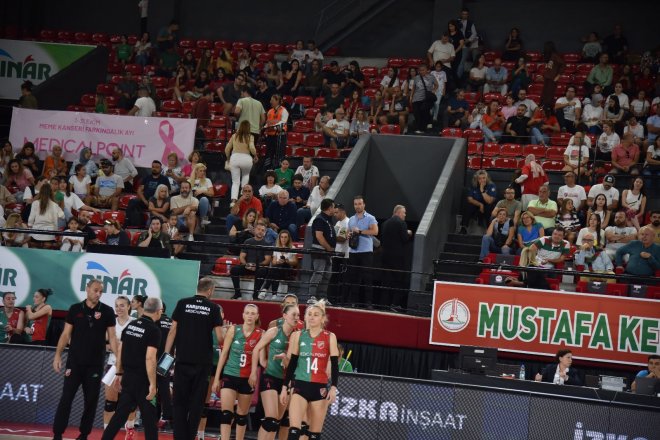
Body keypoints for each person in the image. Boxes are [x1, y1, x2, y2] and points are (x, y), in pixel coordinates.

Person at [52, 279, 118, 440]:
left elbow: (112, 337)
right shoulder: (75, 309)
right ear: (87, 289)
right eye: (95, 290)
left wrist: (119, 359)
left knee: (91, 401)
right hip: (74, 362)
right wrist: (57, 355)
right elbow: (66, 334)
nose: (98, 294)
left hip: (95, 364)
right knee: (66, 398)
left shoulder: (107, 311)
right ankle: (58, 433)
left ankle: (84, 434)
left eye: (101, 291)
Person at [164, 277, 223, 440]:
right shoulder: (213, 308)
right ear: (210, 290)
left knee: (179, 402)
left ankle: (179, 437)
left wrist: (167, 354)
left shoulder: (182, 303)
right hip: (203, 364)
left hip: (182, 360)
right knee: (197, 404)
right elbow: (220, 337)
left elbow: (173, 330)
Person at [102, 297, 162, 440]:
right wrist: (153, 384)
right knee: (150, 420)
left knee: (119, 416)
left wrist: (119, 373)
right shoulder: (154, 330)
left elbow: (120, 350)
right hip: (143, 380)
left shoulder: (131, 326)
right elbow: (150, 358)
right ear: (158, 311)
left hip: (128, 377)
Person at [280, 300, 339, 440]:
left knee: (314, 434)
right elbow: (292, 363)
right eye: (309, 314)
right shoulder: (298, 335)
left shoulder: (330, 337)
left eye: (316, 315)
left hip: (319, 388)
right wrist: (284, 387)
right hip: (300, 385)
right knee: (294, 431)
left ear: (323, 319)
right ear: (305, 317)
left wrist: (333, 387)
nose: (312, 317)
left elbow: (335, 364)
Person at [210, 304, 262, 440]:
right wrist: (217, 378)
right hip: (230, 374)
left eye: (253, 313)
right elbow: (224, 354)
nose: (250, 316)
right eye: (247, 313)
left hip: (247, 378)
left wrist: (254, 373)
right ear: (243, 315)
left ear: (257, 316)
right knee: (226, 414)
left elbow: (261, 357)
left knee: (242, 415)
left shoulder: (260, 334)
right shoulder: (234, 330)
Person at [250, 303, 300, 440]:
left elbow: (294, 364)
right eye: (293, 314)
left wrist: (285, 359)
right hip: (270, 377)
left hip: (286, 381)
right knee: (271, 420)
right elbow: (257, 349)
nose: (296, 317)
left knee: (276, 422)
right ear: (284, 316)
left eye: (298, 315)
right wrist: (256, 368)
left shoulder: (297, 336)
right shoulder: (274, 331)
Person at [101, 297, 134, 431]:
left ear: (129, 307)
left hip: (130, 366)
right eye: (116, 306)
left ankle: (130, 431)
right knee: (110, 402)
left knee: (130, 402)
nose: (118, 308)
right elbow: (102, 343)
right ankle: (107, 433)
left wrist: (122, 346)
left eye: (122, 305)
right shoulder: (111, 323)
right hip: (113, 365)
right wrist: (112, 346)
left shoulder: (135, 323)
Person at [346, 196, 379, 308]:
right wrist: (348, 235)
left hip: (366, 252)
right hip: (353, 252)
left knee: (367, 278)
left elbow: (375, 231)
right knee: (354, 277)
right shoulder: (351, 219)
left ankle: (368, 302)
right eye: (355, 204)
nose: (358, 206)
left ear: (364, 204)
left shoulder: (370, 218)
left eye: (360, 204)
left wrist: (360, 231)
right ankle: (353, 302)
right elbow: (347, 233)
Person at [230, 221, 272, 299]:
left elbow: (267, 260)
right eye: (258, 229)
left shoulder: (267, 244)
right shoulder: (248, 241)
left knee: (263, 271)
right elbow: (242, 257)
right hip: (247, 266)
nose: (260, 231)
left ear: (265, 233)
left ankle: (255, 295)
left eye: (262, 230)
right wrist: (246, 264)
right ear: (255, 230)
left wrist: (257, 265)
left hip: (259, 267)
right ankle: (237, 294)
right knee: (234, 270)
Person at [381, 205, 412, 309]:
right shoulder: (401, 223)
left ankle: (384, 305)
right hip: (397, 258)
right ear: (398, 213)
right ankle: (394, 304)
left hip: (385, 257)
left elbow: (383, 240)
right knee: (399, 281)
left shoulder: (384, 223)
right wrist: (408, 233)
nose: (405, 215)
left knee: (386, 281)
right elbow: (405, 239)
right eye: (404, 212)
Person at [126, 160, 170, 227]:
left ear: (161, 169)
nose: (154, 168)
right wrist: (145, 201)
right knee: (133, 202)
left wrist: (154, 201)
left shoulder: (164, 179)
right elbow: (139, 190)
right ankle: (130, 222)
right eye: (153, 167)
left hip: (156, 202)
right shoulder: (147, 177)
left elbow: (167, 192)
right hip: (145, 201)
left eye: (157, 167)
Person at [308, 198, 337, 304]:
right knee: (318, 273)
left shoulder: (328, 219)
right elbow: (319, 236)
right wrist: (329, 248)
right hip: (320, 251)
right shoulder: (319, 219)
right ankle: (311, 296)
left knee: (327, 275)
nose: (335, 209)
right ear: (329, 208)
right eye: (334, 207)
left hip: (327, 252)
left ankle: (323, 298)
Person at [260, 229, 299, 300]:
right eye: (282, 237)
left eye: (285, 237)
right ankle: (274, 295)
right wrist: (278, 262)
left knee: (275, 269)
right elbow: (274, 262)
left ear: (288, 238)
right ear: (279, 238)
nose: (283, 239)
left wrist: (287, 261)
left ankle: (265, 290)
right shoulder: (276, 248)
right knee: (276, 269)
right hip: (277, 270)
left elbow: (295, 262)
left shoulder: (292, 248)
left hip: (287, 270)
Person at [28, 183, 65, 248]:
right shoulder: (54, 205)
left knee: (35, 251)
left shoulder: (35, 203)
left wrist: (30, 226)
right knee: (47, 252)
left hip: (36, 232)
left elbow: (31, 219)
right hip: (49, 233)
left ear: (41, 192)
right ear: (51, 193)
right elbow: (63, 216)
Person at [460, 169, 496, 234]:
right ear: (477, 179)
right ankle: (464, 227)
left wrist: (482, 190)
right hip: (477, 205)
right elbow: (469, 199)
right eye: (480, 178)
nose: (482, 180)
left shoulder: (491, 185)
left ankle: (489, 229)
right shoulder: (474, 185)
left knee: (489, 207)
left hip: (487, 205)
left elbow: (490, 201)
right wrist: (480, 205)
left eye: (484, 178)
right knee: (468, 205)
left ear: (487, 178)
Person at [155, 302, 173, 427]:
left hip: (156, 356)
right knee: (164, 386)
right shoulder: (172, 322)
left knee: (153, 385)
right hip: (168, 357)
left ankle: (154, 414)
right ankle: (167, 414)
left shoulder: (156, 320)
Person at [263, 94, 289, 170]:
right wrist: (264, 127)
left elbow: (283, 122)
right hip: (270, 136)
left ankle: (278, 170)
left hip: (280, 136)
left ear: (277, 101)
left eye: (272, 100)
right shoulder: (270, 111)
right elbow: (268, 122)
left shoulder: (284, 110)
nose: (270, 102)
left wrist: (273, 127)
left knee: (279, 155)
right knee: (268, 154)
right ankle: (267, 169)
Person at [410, 64, 437, 133]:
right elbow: (413, 88)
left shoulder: (431, 77)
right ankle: (419, 127)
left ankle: (422, 128)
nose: (421, 72)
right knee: (416, 114)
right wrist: (411, 97)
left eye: (423, 70)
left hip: (426, 99)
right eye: (420, 70)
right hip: (416, 98)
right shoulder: (416, 78)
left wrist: (433, 91)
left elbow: (436, 85)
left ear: (426, 70)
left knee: (423, 112)